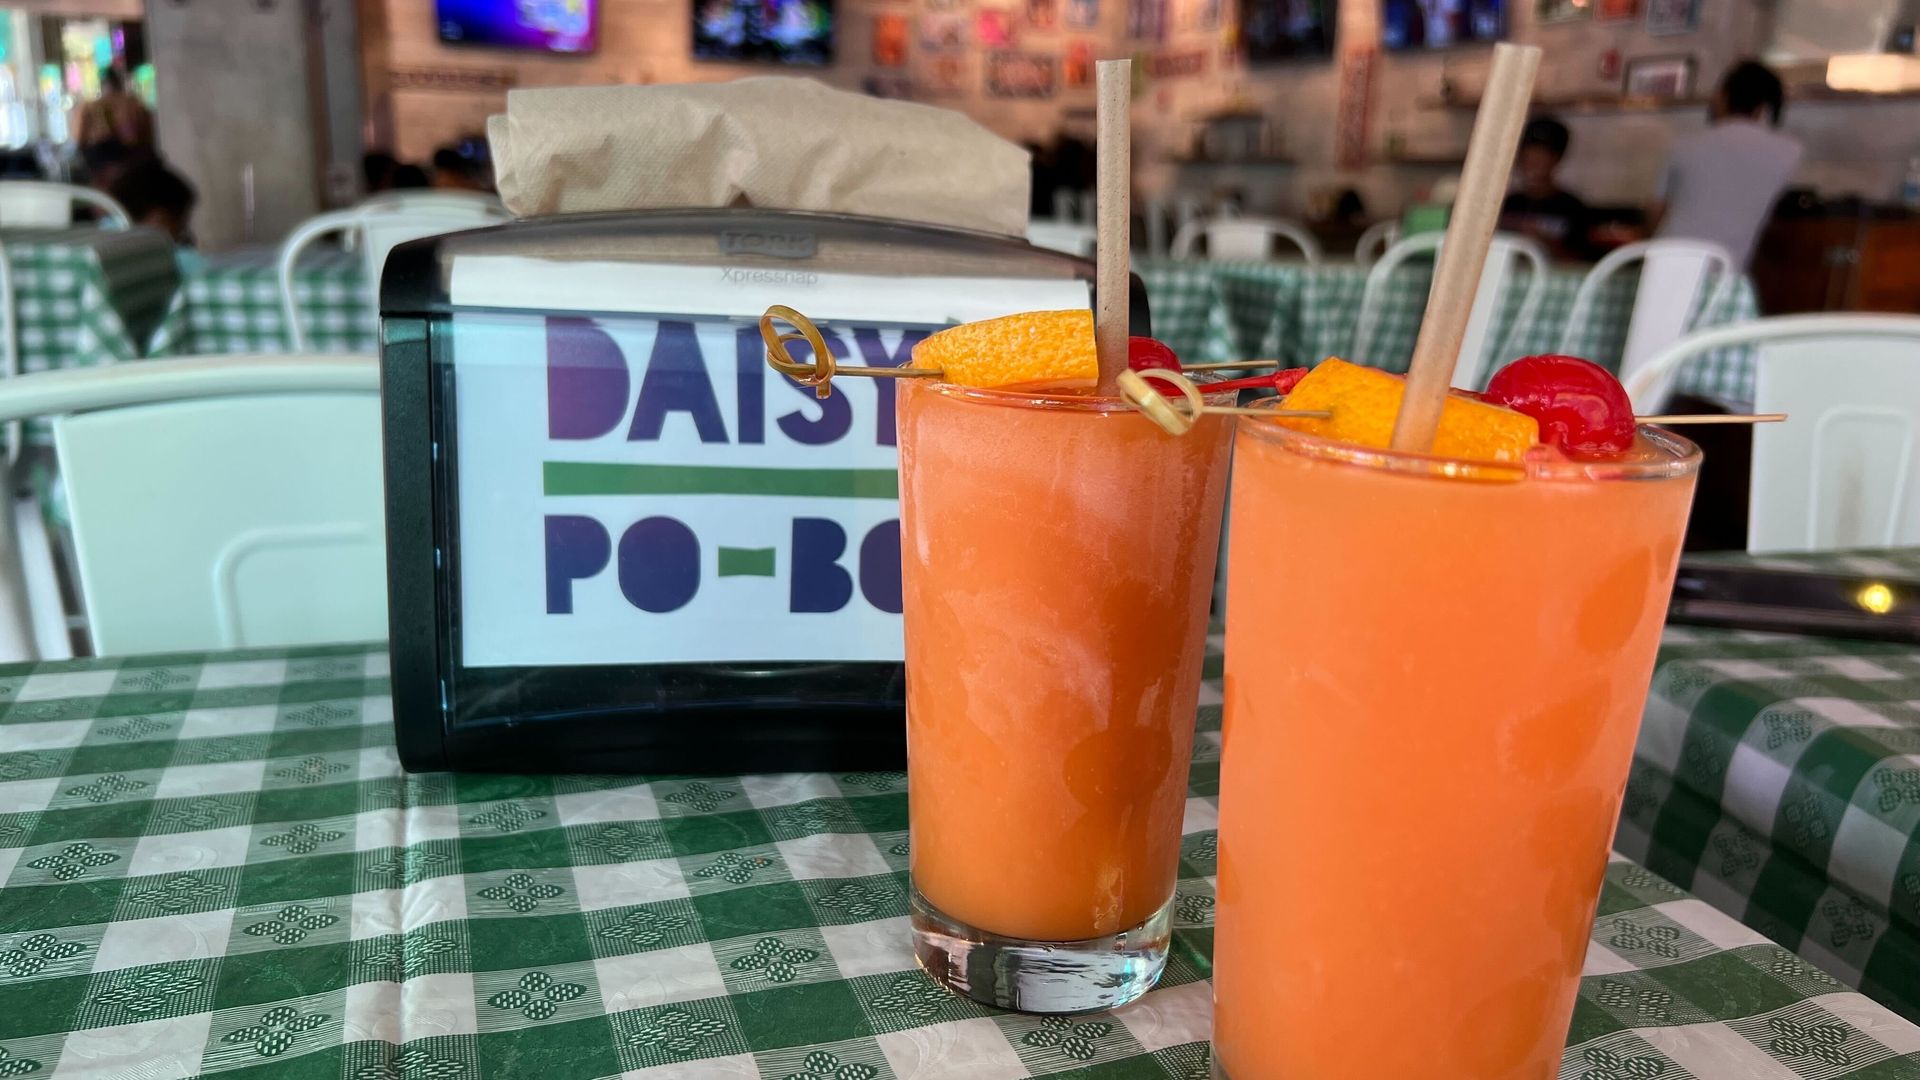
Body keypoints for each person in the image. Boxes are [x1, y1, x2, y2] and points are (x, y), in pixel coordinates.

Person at [1651, 60, 1802, 268]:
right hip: (1725, 271)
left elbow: (1657, 210)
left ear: (1722, 97)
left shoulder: (1685, 145)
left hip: (1666, 263)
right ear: (1766, 107)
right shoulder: (1791, 151)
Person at [1499, 117, 1591, 260]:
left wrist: (1542, 241)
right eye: (1528, 158)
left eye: (1542, 158)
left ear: (1556, 160)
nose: (1534, 165)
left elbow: (1581, 262)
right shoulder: (1505, 205)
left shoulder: (1573, 208)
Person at [73, 69, 154, 161]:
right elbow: (147, 136)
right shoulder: (134, 104)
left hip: (101, 164)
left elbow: (80, 140)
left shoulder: (88, 108)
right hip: (133, 162)